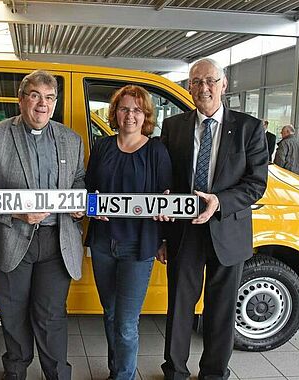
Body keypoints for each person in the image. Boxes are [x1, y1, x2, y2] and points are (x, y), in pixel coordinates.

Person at [0, 70, 85, 380]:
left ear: (55, 102)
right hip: (9, 238)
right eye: (35, 96)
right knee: (13, 313)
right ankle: (16, 369)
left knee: (51, 315)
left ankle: (57, 373)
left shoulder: (71, 139)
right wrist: (18, 213)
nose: (41, 105)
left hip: (55, 241)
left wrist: (78, 206)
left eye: (49, 98)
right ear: (21, 99)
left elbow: (78, 181)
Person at [158, 58, 268, 380]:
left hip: (228, 231)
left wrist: (219, 201)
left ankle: (214, 374)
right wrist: (163, 234)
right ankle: (175, 372)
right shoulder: (173, 127)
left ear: (224, 83)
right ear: (188, 87)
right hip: (184, 233)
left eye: (209, 81)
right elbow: (166, 181)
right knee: (179, 308)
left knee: (220, 311)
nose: (202, 88)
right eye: (195, 82)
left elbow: (256, 183)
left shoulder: (249, 128)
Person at [85, 85, 172, 380]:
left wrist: (164, 231)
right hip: (103, 243)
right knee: (110, 315)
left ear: (145, 114)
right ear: (115, 113)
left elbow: (166, 197)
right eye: (124, 108)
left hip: (138, 246)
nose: (130, 115)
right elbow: (87, 190)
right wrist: (93, 203)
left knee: (125, 322)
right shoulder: (102, 148)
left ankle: (124, 376)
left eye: (137, 110)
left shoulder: (157, 150)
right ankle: (117, 371)